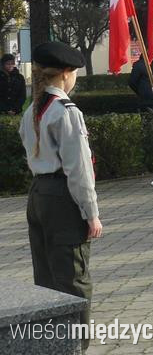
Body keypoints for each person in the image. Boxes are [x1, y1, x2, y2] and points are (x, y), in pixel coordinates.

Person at [20, 42, 100, 345]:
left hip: (38, 193)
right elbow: (78, 169)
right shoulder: (66, 111)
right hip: (62, 196)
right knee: (73, 278)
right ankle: (75, 345)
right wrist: (91, 213)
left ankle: (52, 343)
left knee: (46, 277)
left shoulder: (33, 110)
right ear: (66, 73)